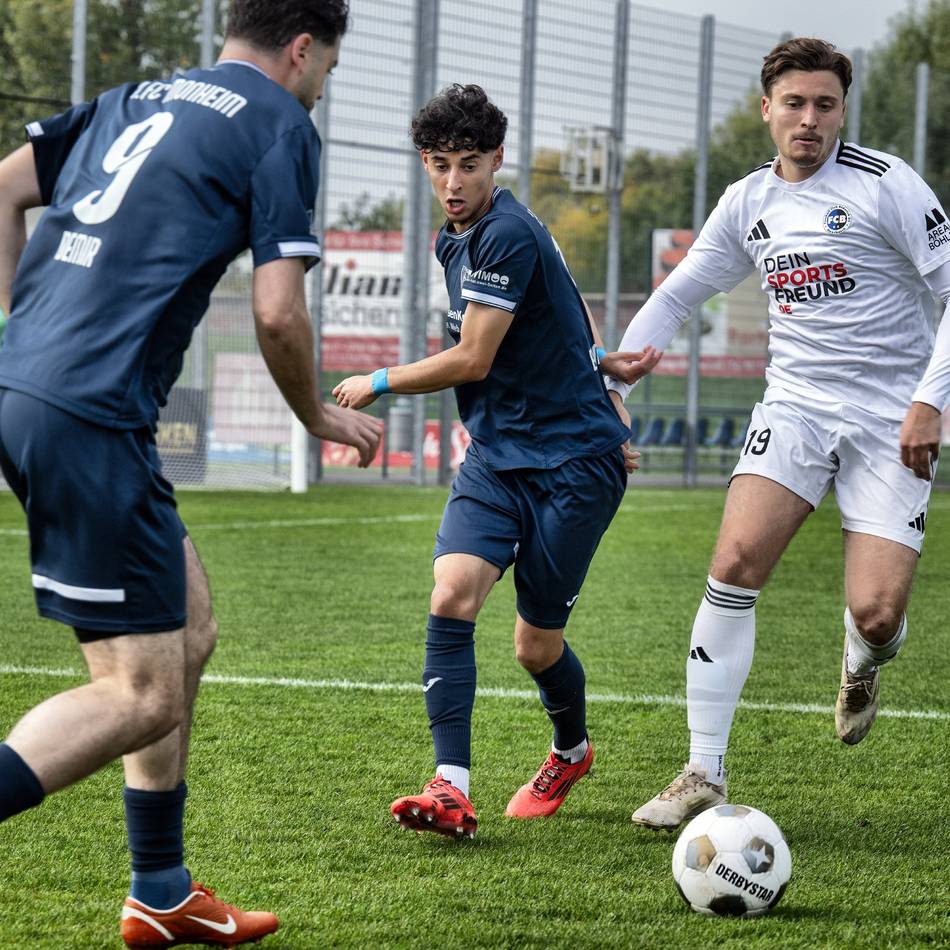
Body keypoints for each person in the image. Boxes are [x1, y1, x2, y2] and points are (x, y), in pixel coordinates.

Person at [0, 1, 381, 945]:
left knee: (191, 628)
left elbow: (4, 188)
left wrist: (23, 331)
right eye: (327, 70)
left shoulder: (134, 97)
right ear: (302, 50)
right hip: (88, 415)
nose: (321, 89)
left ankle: (160, 893)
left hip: (54, 395)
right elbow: (281, 316)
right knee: (140, 693)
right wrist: (318, 414)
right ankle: (156, 887)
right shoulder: (278, 122)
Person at [600, 36, 950, 830]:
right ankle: (702, 771)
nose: (809, 120)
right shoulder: (748, 200)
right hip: (793, 406)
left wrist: (932, 401)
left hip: (891, 416)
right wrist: (614, 379)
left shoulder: (886, 185)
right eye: (794, 103)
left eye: (825, 104)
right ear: (767, 109)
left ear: (841, 111)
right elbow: (682, 290)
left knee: (878, 613)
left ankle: (863, 659)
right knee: (733, 561)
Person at [334, 83, 659, 839]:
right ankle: (450, 786)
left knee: (533, 645)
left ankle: (570, 751)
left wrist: (378, 381)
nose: (453, 183)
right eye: (440, 164)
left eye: (469, 165)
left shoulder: (507, 231)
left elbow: (473, 357)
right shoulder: (462, 235)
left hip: (576, 465)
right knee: (451, 594)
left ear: (497, 161)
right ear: (425, 163)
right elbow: (566, 304)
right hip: (496, 457)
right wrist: (601, 363)